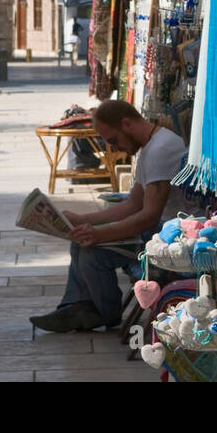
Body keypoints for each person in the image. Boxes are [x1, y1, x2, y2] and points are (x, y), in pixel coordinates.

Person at [30, 99, 189, 333]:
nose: (114, 149)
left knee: (91, 253)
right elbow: (133, 204)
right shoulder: (150, 147)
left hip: (171, 236)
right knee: (80, 241)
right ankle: (80, 307)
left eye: (113, 140)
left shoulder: (159, 150)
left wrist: (98, 234)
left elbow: (149, 217)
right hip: (159, 230)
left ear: (126, 124)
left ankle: (102, 314)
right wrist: (84, 220)